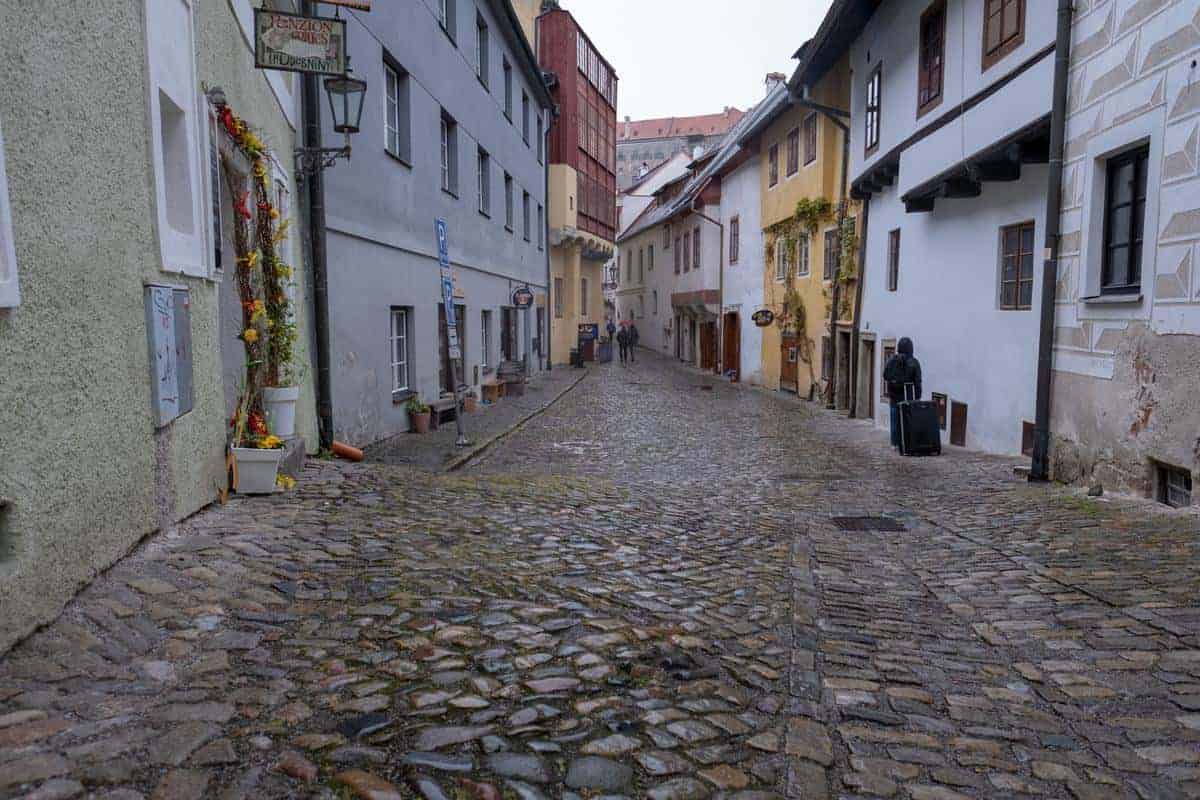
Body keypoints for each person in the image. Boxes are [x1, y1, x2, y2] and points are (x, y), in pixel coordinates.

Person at [883, 337, 922, 450]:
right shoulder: (914, 362)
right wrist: (918, 397)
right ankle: (906, 442)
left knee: (894, 420)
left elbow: (885, 375)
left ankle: (894, 443)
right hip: (908, 396)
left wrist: (893, 381)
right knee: (907, 420)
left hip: (894, 395)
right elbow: (918, 382)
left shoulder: (892, 360)